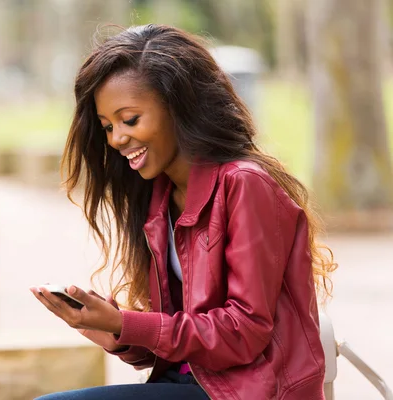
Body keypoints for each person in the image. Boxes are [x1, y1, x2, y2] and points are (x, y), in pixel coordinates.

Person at [30, 24, 337, 400]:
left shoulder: (244, 184)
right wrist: (117, 332)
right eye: (107, 126)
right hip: (189, 386)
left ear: (178, 106)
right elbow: (184, 339)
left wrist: (129, 322)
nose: (116, 139)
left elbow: (244, 333)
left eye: (129, 120)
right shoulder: (159, 200)